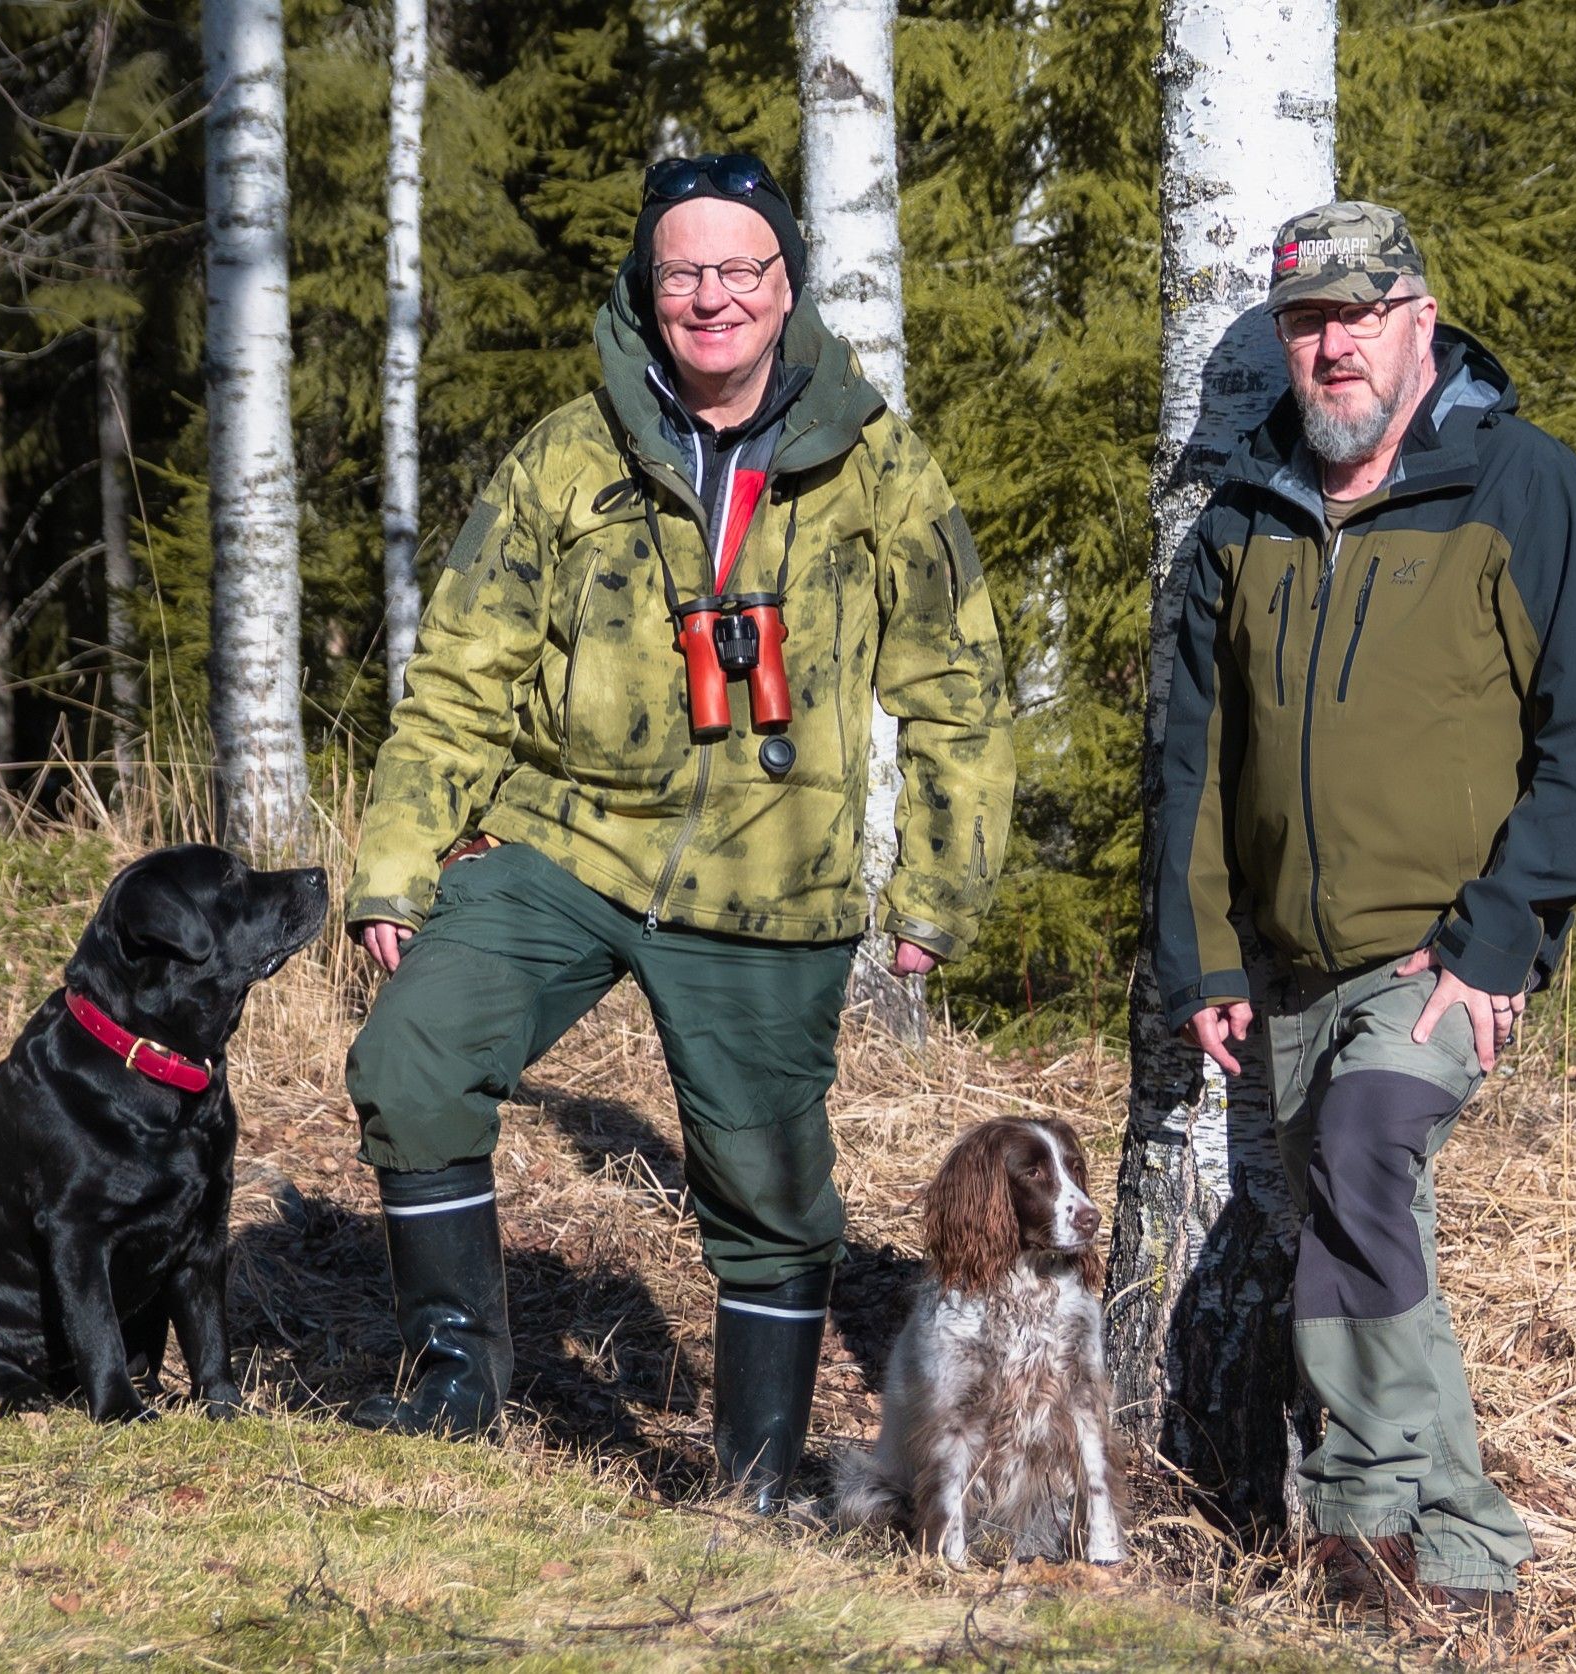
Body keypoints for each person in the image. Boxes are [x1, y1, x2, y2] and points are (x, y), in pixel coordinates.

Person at [341, 153, 1014, 1511]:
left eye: (738, 269)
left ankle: (756, 1478)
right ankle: (455, 1380)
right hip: (567, 841)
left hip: (772, 882)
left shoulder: (874, 459)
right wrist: (398, 858)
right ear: (646, 288)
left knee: (769, 1192)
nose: (710, 297)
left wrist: (936, 893)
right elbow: (464, 669)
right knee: (410, 1060)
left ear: (786, 283)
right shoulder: (567, 453)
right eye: (681, 271)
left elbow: (961, 687)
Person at [1152, 201, 1576, 1623]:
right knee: (1365, 1229)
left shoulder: (1521, 486)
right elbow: (1194, 758)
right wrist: (1209, 952)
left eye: (1361, 313)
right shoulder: (1245, 514)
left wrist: (1503, 936)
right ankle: (1473, 1550)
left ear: (1421, 317)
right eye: (1308, 322)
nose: (1335, 344)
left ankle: (1356, 1538)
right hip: (1288, 966)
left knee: (1367, 1153)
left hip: (1443, 953)